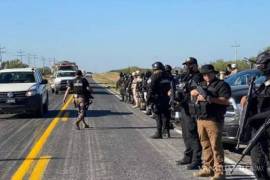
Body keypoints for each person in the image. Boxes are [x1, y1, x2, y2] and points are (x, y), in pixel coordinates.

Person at [191, 64, 231, 180]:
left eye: (208, 73)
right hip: (201, 119)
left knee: (216, 147)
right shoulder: (202, 85)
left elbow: (225, 101)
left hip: (214, 120)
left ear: (214, 73)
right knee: (205, 145)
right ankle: (208, 168)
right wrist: (193, 93)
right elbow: (193, 96)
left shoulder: (222, 85)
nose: (206, 76)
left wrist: (209, 99)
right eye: (204, 74)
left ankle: (220, 172)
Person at [240, 50, 270, 180]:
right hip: (258, 130)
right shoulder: (264, 83)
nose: (259, 68)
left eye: (261, 65)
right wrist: (247, 98)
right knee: (258, 164)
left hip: (266, 128)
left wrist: (253, 118)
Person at [174, 57, 203, 170]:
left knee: (193, 133)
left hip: (193, 108)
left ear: (195, 65)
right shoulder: (185, 76)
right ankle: (188, 156)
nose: (188, 66)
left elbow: (196, 90)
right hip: (184, 107)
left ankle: (196, 160)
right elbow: (179, 87)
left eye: (190, 64)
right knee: (185, 133)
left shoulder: (198, 76)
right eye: (186, 64)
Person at [147, 62, 172, 139]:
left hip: (157, 99)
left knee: (158, 116)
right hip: (167, 98)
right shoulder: (168, 76)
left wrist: (148, 100)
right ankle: (166, 132)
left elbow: (150, 88)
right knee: (166, 116)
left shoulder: (154, 76)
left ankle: (159, 133)